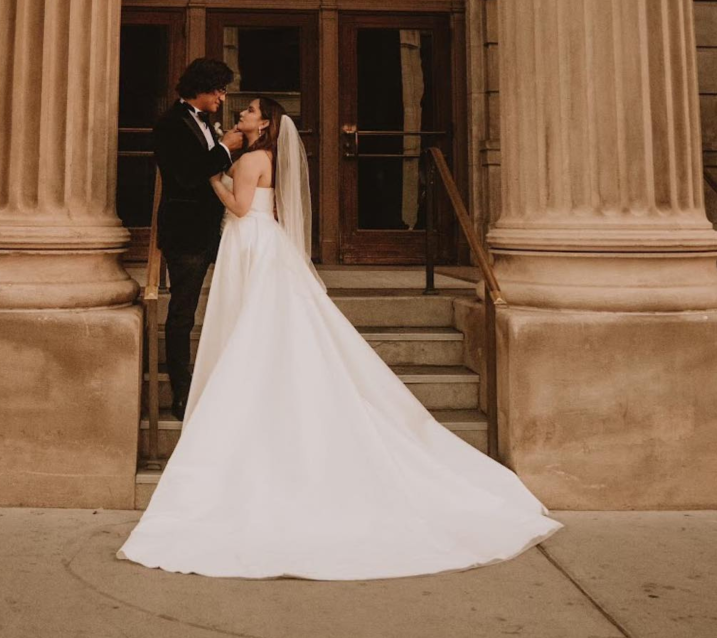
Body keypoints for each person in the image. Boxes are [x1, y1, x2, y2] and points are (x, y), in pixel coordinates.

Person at [118, 96, 562, 581]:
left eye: (247, 111)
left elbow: (242, 209)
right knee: (274, 326)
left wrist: (212, 181)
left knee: (250, 327)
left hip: (249, 243)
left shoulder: (249, 159)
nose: (240, 115)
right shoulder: (271, 158)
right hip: (270, 245)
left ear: (264, 123)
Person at [153, 58, 244, 421]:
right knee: (182, 313)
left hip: (217, 230)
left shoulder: (206, 122)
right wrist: (224, 149)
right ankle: (181, 388)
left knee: (239, 299)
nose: (222, 97)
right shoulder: (170, 125)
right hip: (186, 234)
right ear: (201, 89)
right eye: (219, 90)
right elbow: (188, 176)